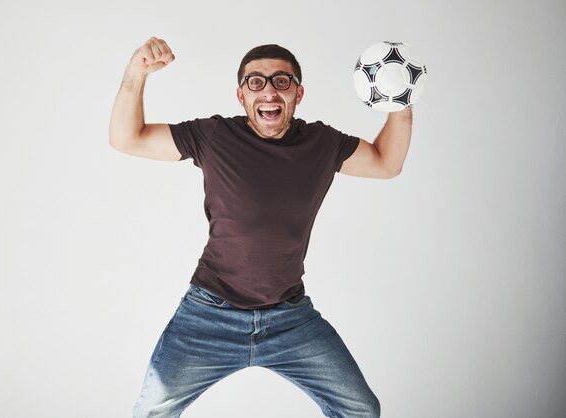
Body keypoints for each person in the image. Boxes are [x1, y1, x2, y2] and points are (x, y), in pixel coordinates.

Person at [109, 36, 412, 418]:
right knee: (150, 412)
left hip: (290, 318)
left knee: (360, 409)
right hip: (208, 315)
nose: (268, 91)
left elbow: (387, 163)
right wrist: (136, 73)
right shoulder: (213, 136)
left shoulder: (322, 142)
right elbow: (126, 138)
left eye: (281, 81)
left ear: (298, 93)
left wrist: (401, 101)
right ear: (241, 96)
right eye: (256, 82)